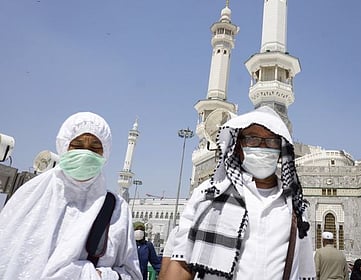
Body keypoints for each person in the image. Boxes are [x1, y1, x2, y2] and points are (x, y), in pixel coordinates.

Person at [164, 106, 316, 279]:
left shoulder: (295, 207)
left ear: (281, 150)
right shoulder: (208, 194)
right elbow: (181, 266)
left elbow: (303, 271)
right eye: (252, 139)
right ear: (237, 146)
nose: (263, 147)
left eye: (271, 141)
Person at [0, 111, 142, 279]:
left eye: (95, 148)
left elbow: (132, 274)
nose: (86, 153)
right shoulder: (30, 195)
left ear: (106, 153)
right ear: (64, 146)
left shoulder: (116, 210)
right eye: (78, 146)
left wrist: (98, 275)